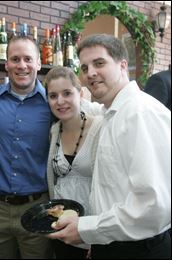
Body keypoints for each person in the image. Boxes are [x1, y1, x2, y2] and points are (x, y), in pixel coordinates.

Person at [47, 34, 171, 259]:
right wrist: (97, 238)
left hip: (139, 249)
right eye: (84, 68)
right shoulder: (110, 114)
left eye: (99, 63)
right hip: (113, 243)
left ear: (123, 65)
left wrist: (88, 229)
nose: (90, 73)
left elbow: (154, 207)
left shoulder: (139, 113)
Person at [0, 35, 54, 259]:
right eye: (15, 59)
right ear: (6, 63)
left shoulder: (53, 102)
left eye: (28, 59)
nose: (22, 65)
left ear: (38, 63)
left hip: (37, 207)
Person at [44, 66, 103, 259]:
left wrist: (98, 237)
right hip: (62, 230)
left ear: (81, 94)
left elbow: (110, 187)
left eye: (67, 93)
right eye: (53, 96)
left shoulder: (100, 127)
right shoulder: (54, 131)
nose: (60, 101)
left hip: (93, 232)